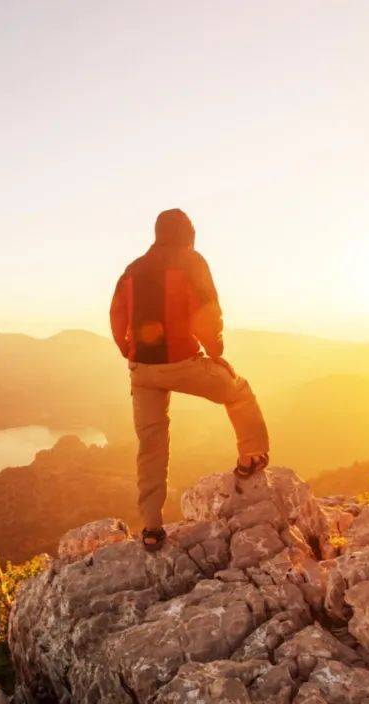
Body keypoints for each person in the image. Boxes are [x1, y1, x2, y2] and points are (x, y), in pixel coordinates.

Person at [109, 208, 270, 552]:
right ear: (187, 233)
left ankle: (152, 527)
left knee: (151, 445)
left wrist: (130, 353)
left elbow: (116, 315)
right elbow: (207, 312)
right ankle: (251, 457)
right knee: (238, 391)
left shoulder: (132, 269)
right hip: (182, 361)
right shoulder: (190, 260)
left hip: (142, 371)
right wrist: (215, 352)